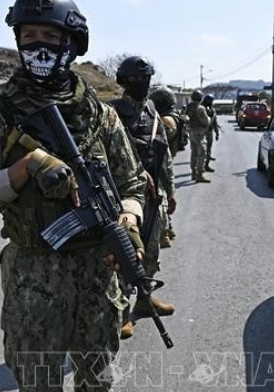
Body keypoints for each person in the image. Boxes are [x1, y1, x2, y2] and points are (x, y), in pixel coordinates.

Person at [0, 1, 148, 392]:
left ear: (72, 44)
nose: (38, 48)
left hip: (98, 278)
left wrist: (129, 220)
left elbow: (133, 182)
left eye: (50, 38)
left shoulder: (100, 114)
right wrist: (26, 168)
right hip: (35, 281)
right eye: (29, 38)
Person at [109, 56, 176, 339]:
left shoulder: (151, 110)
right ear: (123, 82)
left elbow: (163, 151)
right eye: (135, 80)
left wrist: (169, 190)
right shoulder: (112, 112)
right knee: (127, 253)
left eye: (145, 79)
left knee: (151, 250)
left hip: (153, 195)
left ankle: (145, 300)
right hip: (125, 197)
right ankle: (121, 312)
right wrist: (135, 175)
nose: (141, 85)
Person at [149, 87, 186, 244]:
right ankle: (168, 227)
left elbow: (157, 139)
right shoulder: (172, 116)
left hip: (162, 160)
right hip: (165, 158)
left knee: (161, 196)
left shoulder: (166, 120)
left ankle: (163, 233)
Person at [185, 90, 211, 183]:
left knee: (194, 153)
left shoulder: (188, 107)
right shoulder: (201, 108)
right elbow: (206, 122)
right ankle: (199, 174)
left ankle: (193, 173)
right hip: (200, 132)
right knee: (202, 154)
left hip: (191, 132)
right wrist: (209, 119)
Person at [201, 94, 219, 173]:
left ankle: (206, 165)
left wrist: (217, 132)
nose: (212, 102)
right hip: (202, 132)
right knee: (202, 150)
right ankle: (201, 166)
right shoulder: (201, 109)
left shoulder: (211, 109)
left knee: (208, 149)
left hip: (209, 131)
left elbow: (214, 122)